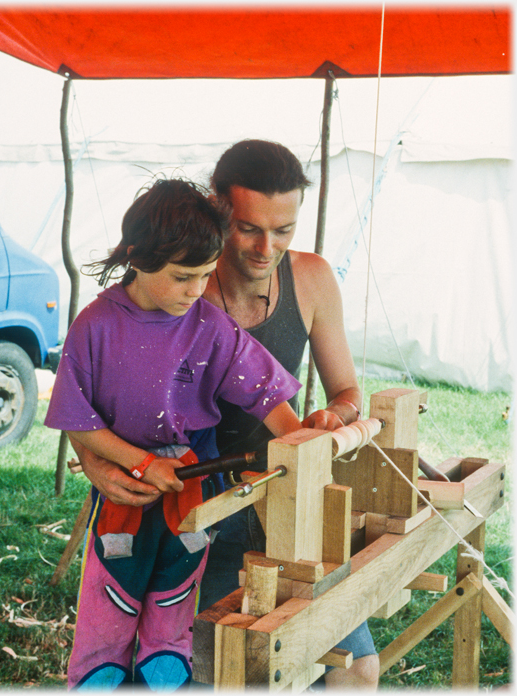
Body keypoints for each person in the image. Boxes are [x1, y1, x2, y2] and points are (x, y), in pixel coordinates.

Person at [74, 141, 380, 690]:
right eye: (248, 228)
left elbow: (329, 394)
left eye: (284, 230)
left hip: (285, 495)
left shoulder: (304, 281)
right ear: (219, 212)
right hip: (206, 498)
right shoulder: (178, 293)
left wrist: (333, 420)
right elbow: (90, 399)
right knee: (221, 669)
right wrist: (104, 465)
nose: (268, 247)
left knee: (356, 668)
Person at [45, 177, 303, 690]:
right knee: (114, 571)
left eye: (206, 275)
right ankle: (99, 661)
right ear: (138, 257)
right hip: (124, 484)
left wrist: (300, 442)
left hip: (193, 479)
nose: (196, 290)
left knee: (182, 570)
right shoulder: (94, 326)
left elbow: (266, 392)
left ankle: (166, 651)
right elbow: (78, 418)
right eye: (185, 276)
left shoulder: (209, 323)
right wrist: (140, 463)